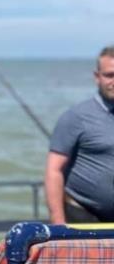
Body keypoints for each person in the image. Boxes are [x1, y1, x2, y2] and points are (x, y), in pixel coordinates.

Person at [44, 45, 114, 224]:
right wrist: (58, 224)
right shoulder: (75, 117)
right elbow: (54, 170)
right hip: (82, 214)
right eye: (109, 75)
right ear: (97, 77)